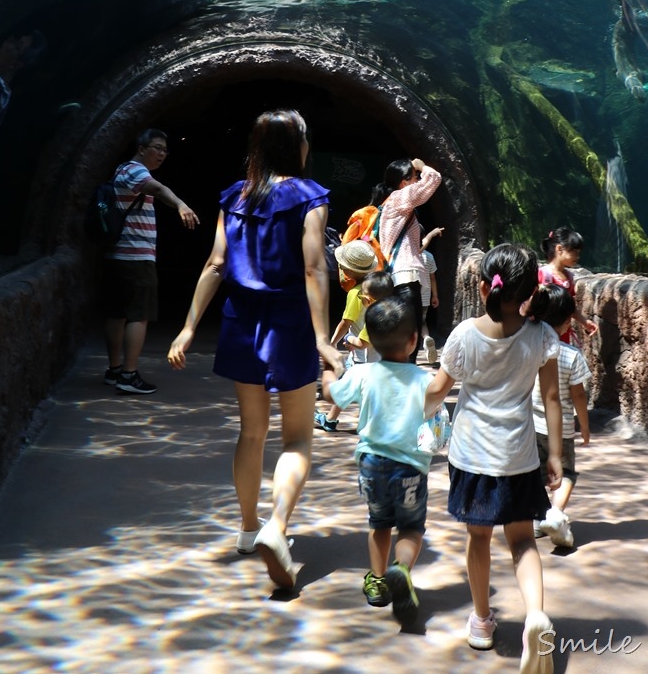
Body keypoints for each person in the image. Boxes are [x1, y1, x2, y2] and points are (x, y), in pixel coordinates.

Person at [167, 109, 342, 590]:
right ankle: (277, 526)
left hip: (242, 323)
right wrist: (323, 339)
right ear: (299, 146)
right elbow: (313, 270)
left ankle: (247, 529)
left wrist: (187, 328)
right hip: (288, 326)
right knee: (298, 438)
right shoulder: (311, 197)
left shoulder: (234, 196)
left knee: (251, 433)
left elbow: (216, 262)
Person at [424, 243, 562, 671]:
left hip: (472, 458)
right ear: (528, 291)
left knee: (478, 538)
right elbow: (553, 398)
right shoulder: (542, 335)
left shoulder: (466, 335)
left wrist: (415, 406)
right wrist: (554, 454)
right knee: (522, 541)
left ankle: (483, 621)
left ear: (484, 285)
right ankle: (536, 615)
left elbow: (437, 391)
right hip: (519, 457)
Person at [321, 297, 434, 626]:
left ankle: (378, 579)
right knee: (411, 528)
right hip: (410, 468)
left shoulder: (363, 372)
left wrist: (329, 376)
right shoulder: (424, 379)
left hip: (372, 464)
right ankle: (402, 569)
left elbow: (334, 395)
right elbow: (438, 422)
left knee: (379, 523)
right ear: (413, 340)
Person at [103, 128, 199, 394]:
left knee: (117, 312)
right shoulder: (134, 171)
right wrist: (180, 205)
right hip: (135, 256)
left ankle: (114, 369)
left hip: (118, 256)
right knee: (139, 314)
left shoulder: (122, 172)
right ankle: (128, 374)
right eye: (157, 148)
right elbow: (157, 188)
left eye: (165, 150)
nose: (162, 154)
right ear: (141, 148)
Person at [532, 284, 591, 549]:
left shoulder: (529, 348)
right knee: (566, 473)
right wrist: (585, 427)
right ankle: (555, 514)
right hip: (562, 428)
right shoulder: (571, 355)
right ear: (567, 321)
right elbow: (579, 395)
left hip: (530, 424)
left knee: (535, 472)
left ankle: (535, 519)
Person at [374, 157, 442, 361]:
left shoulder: (388, 204)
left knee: (397, 334)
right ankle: (407, 380)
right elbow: (434, 178)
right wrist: (422, 166)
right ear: (404, 182)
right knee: (409, 336)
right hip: (406, 277)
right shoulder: (400, 197)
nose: (418, 179)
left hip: (393, 277)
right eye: (415, 177)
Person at [316, 268, 394, 432]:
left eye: (363, 296)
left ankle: (373, 425)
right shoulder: (390, 312)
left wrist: (347, 338)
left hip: (365, 361)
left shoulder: (373, 318)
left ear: (369, 300)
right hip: (380, 361)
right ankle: (330, 419)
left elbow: (362, 343)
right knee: (349, 385)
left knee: (352, 387)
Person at [539, 226, 597, 342]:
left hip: (563, 332)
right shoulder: (544, 275)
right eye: (574, 252)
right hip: (544, 333)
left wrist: (585, 322)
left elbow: (569, 307)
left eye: (578, 253)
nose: (577, 257)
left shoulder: (569, 276)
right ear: (559, 249)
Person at [420, 226, 444, 364]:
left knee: (409, 323)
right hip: (424, 296)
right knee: (422, 321)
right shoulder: (429, 257)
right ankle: (426, 338)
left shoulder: (408, 255)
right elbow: (433, 278)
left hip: (407, 295)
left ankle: (407, 354)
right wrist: (435, 296)